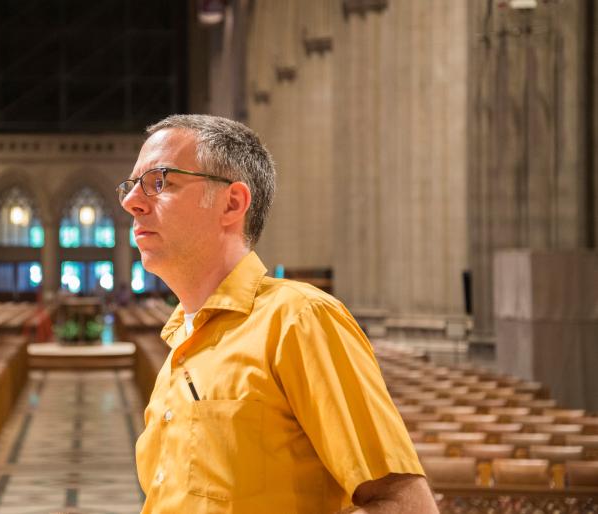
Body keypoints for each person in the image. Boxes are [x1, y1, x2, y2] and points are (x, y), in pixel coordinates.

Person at [118, 114, 437, 514]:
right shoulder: (180, 342)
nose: (132, 202)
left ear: (232, 203)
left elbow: (402, 503)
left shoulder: (300, 319)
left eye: (159, 181)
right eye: (130, 187)